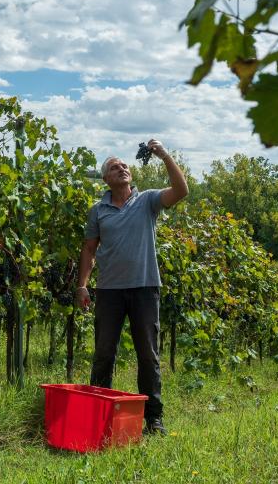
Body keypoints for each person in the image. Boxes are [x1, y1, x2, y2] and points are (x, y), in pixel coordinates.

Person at [76, 139, 188, 436]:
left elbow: (181, 191)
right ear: (106, 179)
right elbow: (89, 249)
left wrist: (164, 155)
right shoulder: (97, 210)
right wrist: (83, 285)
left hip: (144, 288)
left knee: (148, 355)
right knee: (103, 354)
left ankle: (154, 419)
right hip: (110, 292)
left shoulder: (148, 200)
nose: (122, 168)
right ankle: (97, 412)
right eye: (115, 167)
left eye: (124, 165)